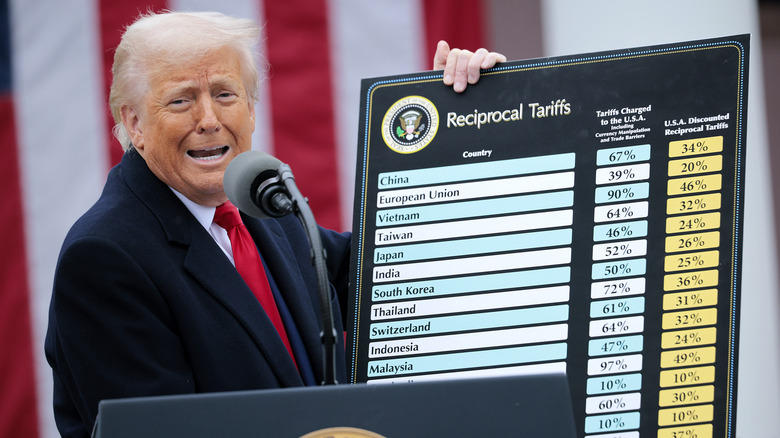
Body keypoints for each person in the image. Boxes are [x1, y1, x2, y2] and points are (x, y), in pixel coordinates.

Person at [44, 10, 506, 438]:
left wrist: (462, 119)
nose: (209, 120)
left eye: (225, 94)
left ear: (250, 106)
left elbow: (389, 271)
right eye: (181, 100)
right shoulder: (103, 258)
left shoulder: (260, 202)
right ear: (134, 122)